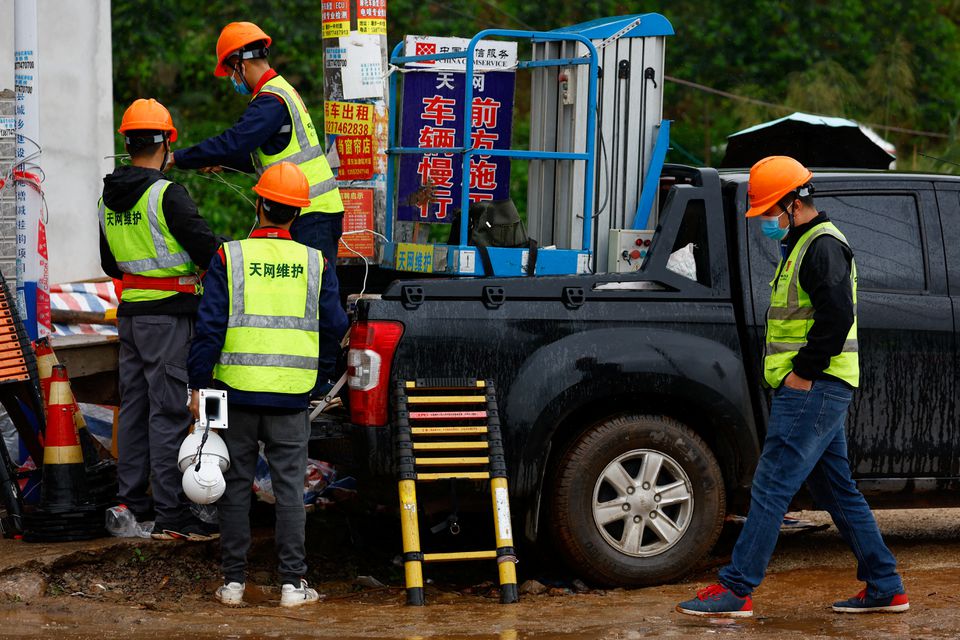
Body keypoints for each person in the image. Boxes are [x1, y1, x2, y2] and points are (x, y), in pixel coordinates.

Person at [676, 156, 908, 617]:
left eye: (768, 211)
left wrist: (803, 372)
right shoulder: (801, 244)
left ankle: (736, 589)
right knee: (838, 490)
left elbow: (836, 317)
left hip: (813, 387)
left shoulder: (820, 246)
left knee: (771, 486)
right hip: (819, 387)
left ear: (791, 203)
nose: (765, 220)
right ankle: (885, 585)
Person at [187, 162, 348, 608]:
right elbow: (334, 324)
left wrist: (199, 384)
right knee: (290, 488)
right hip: (291, 394)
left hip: (233, 393)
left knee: (235, 486)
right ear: (296, 214)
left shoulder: (229, 256)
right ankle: (293, 586)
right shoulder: (315, 261)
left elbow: (209, 327)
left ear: (259, 204)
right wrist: (321, 374)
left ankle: (233, 583)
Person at [99, 98, 220, 540]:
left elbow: (112, 266)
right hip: (168, 317)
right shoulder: (166, 194)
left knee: (134, 410)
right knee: (169, 411)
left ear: (127, 143)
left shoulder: (107, 199)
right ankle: (171, 512)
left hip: (131, 317)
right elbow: (209, 250)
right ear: (168, 142)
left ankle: (132, 502)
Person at [169, 21, 344, 273]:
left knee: (314, 297)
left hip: (311, 213)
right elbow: (273, 155)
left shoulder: (270, 100)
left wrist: (179, 158)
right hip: (309, 211)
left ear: (241, 63)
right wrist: (225, 164)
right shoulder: (280, 92)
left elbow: (235, 142)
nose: (232, 79)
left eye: (231, 71)